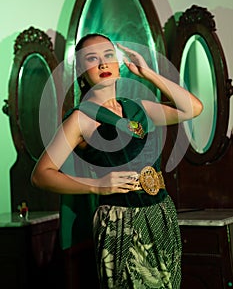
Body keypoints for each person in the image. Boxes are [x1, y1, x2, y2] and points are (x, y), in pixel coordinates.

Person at [31, 33, 203, 288]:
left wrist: (148, 73)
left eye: (108, 55)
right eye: (92, 58)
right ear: (81, 69)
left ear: (118, 63)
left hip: (161, 214)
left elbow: (193, 108)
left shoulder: (139, 108)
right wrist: (97, 184)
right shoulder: (80, 119)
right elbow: (41, 174)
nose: (102, 64)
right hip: (120, 221)